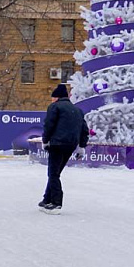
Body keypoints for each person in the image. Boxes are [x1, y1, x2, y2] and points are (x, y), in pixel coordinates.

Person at [40, 83, 89, 214]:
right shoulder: (77, 110)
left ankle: (56, 203)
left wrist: (45, 140)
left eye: (52, 98)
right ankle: (47, 199)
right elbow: (84, 130)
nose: (51, 100)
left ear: (56, 97)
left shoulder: (55, 107)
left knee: (53, 173)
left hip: (57, 144)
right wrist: (82, 146)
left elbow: (48, 125)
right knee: (56, 173)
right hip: (71, 145)